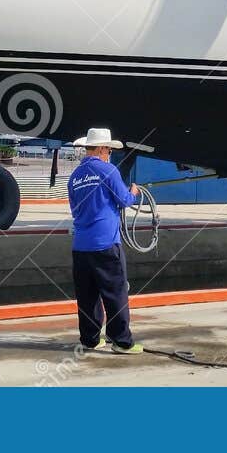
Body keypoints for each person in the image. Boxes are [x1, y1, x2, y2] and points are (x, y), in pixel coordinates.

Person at [67, 128, 142, 354]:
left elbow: (74, 209)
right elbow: (124, 200)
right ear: (101, 149)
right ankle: (121, 341)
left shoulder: (74, 177)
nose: (109, 152)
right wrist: (134, 192)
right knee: (115, 292)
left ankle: (90, 340)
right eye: (108, 149)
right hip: (105, 244)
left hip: (80, 246)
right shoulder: (108, 170)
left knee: (87, 296)